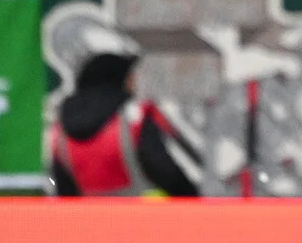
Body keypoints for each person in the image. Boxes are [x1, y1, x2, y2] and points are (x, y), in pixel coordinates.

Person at [45, 27, 200, 198]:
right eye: (130, 78)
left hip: (91, 222)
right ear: (117, 79)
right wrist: (193, 197)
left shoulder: (61, 131)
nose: (133, 84)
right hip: (143, 220)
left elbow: (64, 191)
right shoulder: (133, 119)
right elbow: (165, 171)